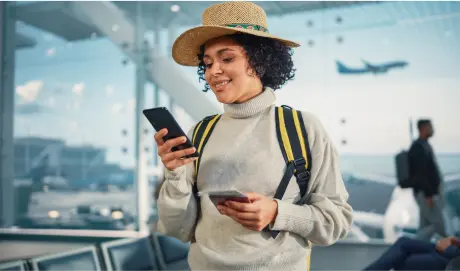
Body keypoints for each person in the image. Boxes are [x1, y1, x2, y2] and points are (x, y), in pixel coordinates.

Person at [155, 2, 353, 270]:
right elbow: (178, 228)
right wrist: (175, 173)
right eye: (208, 63)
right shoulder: (200, 133)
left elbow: (336, 221)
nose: (213, 71)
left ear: (260, 62)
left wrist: (277, 213)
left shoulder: (301, 127)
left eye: (227, 59)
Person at [409, 119, 447, 240]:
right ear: (423, 128)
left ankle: (415, 251)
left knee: (425, 226)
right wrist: (428, 195)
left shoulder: (425, 146)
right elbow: (421, 174)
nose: (432, 130)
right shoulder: (418, 147)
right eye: (430, 127)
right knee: (438, 225)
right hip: (425, 195)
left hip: (426, 194)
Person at [364, 236, 460, 270]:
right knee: (403, 253)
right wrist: (453, 240)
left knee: (403, 248)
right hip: (453, 253)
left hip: (453, 257)